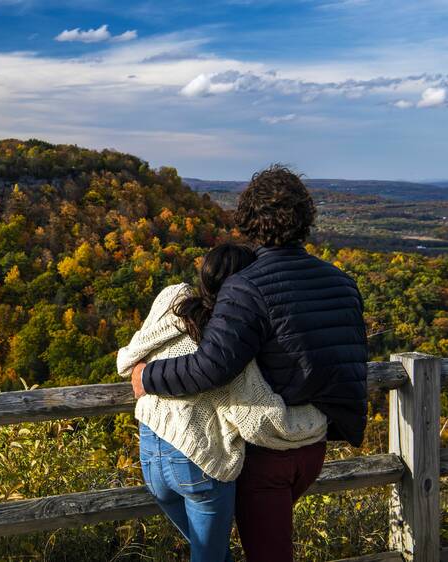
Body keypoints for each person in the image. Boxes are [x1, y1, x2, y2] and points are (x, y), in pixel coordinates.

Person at [130, 165, 368, 562]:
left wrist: (147, 376)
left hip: (268, 452)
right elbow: (350, 359)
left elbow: (211, 367)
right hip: (313, 447)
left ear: (248, 221)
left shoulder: (246, 286)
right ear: (305, 218)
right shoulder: (342, 282)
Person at [118, 242, 328, 562]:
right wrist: (316, 421)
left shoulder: (171, 302)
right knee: (210, 557)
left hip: (149, 454)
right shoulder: (230, 340)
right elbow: (255, 417)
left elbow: (131, 357)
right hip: (198, 461)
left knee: (212, 553)